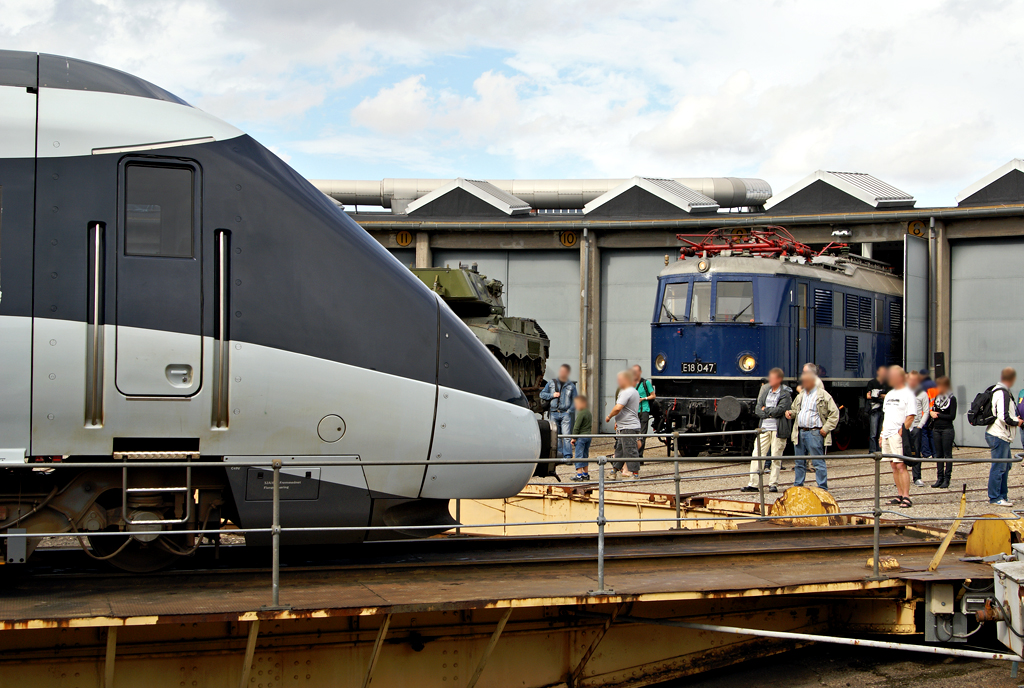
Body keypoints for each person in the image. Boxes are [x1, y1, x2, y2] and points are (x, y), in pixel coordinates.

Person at [742, 368, 792, 494]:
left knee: (776, 456)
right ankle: (753, 483)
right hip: (764, 428)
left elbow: (780, 410)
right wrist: (768, 411)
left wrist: (766, 410)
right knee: (757, 454)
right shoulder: (765, 391)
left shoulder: (785, 393)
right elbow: (758, 409)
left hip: (778, 429)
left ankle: (773, 484)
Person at [786, 369, 839, 490]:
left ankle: (822, 488)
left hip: (815, 432)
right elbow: (795, 410)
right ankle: (798, 487)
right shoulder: (801, 396)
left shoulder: (823, 395)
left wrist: (826, 428)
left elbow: (834, 413)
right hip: (800, 432)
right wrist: (790, 413)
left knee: (818, 462)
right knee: (799, 462)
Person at [879, 366, 917, 509]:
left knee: (901, 465)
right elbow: (886, 415)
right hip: (888, 433)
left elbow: (911, 416)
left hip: (897, 433)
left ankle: (907, 496)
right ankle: (899, 494)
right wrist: (882, 434)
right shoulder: (888, 395)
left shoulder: (908, 394)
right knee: (893, 465)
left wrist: (901, 432)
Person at [986, 368, 1022, 507]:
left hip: (1002, 435)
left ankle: (1002, 495)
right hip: (998, 435)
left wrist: (1014, 418)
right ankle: (995, 497)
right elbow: (1003, 416)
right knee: (999, 466)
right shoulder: (1002, 393)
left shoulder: (1002, 391)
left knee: (1006, 466)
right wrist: (1016, 422)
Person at [606, 370, 642, 480]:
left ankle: (635, 475)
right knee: (620, 450)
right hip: (625, 426)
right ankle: (614, 472)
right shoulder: (634, 391)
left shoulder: (627, 392)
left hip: (628, 427)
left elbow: (618, 408)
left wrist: (609, 416)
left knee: (630, 450)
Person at [540, 364, 577, 460]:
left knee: (566, 435)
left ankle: (568, 456)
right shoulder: (551, 383)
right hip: (553, 412)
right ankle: (559, 454)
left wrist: (570, 411)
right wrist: (552, 395)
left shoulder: (571, 386)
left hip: (565, 413)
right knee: (556, 435)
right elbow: (542, 394)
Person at [929, 376, 956, 489]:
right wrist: (931, 413)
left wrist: (938, 415)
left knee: (947, 454)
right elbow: (933, 410)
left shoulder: (952, 399)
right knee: (938, 455)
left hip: (947, 430)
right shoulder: (937, 398)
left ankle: (947, 478)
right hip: (937, 429)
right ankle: (939, 478)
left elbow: (952, 416)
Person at [907, 371, 930, 488]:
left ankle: (917, 477)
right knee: (903, 452)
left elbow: (926, 411)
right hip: (905, 427)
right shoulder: (904, 393)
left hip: (916, 427)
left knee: (916, 452)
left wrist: (920, 425)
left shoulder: (922, 394)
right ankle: (903, 477)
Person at [632, 365, 656, 458]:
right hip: (634, 411)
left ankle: (639, 456)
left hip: (644, 410)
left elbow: (653, 395)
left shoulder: (646, 383)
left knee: (642, 434)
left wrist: (644, 398)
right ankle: (634, 454)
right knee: (633, 433)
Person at [865, 366, 889, 453]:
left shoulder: (887, 383)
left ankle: (879, 449)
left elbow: (887, 396)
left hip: (882, 409)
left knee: (880, 431)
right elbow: (868, 396)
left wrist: (876, 395)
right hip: (874, 409)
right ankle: (872, 450)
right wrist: (881, 396)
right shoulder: (872, 383)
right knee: (873, 432)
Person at [569, 395, 593, 482]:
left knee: (579, 455)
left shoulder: (581, 413)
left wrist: (573, 437)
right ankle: (586, 474)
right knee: (585, 455)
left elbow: (576, 426)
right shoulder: (588, 413)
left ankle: (579, 475)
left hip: (581, 437)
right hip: (588, 436)